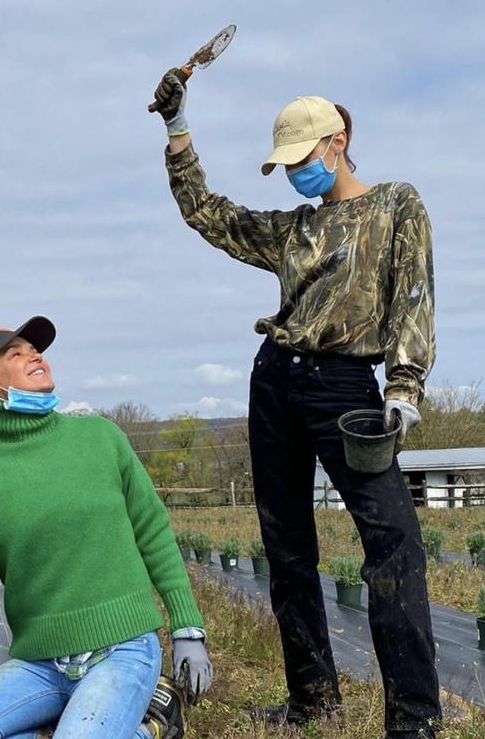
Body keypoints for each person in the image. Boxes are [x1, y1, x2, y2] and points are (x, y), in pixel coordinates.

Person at [151, 71, 442, 738]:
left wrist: (403, 387)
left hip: (345, 392)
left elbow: (414, 297)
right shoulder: (290, 232)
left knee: (394, 545)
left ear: (337, 143)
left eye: (302, 161)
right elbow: (210, 215)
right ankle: (314, 701)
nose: (293, 177)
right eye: (284, 167)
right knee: (286, 550)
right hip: (275, 380)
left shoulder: (396, 205)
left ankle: (414, 720)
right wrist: (176, 130)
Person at [0, 316, 212, 739]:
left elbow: (152, 531)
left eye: (35, 349)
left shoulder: (101, 438)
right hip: (39, 665)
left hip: (124, 649)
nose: (35, 355)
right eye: (16, 353)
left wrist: (188, 628)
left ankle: (149, 726)